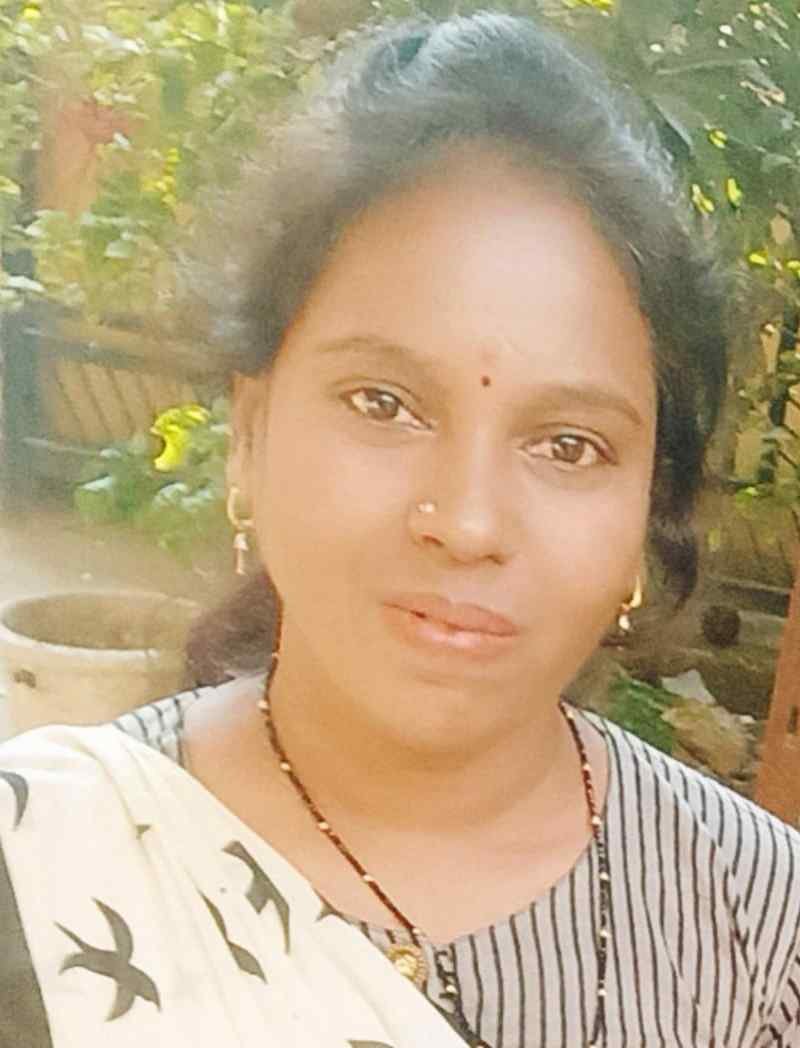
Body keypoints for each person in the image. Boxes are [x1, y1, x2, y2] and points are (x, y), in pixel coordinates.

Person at [1, 12, 799, 1048]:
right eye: (384, 403)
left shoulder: (758, 930)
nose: (466, 522)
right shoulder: (45, 864)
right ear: (250, 435)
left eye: (568, 445)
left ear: (647, 512)